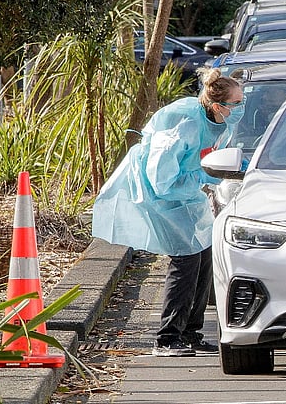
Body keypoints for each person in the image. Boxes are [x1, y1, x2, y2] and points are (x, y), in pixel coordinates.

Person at [92, 67, 244, 357]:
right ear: (217, 105)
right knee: (185, 259)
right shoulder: (183, 120)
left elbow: (206, 161)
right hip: (161, 195)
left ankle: (191, 332)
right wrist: (202, 178)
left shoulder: (217, 120)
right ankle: (167, 338)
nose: (239, 108)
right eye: (236, 103)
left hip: (187, 195)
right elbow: (160, 178)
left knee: (204, 255)